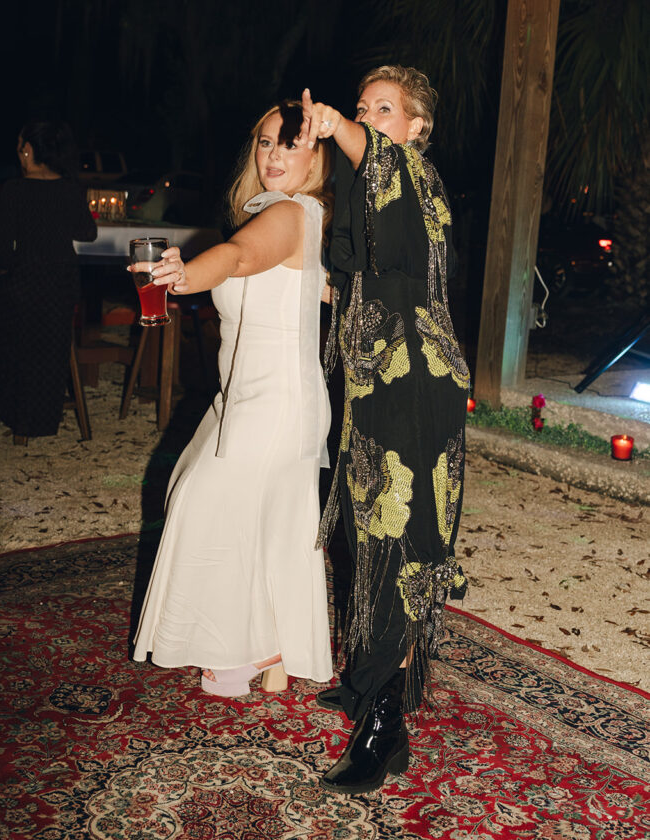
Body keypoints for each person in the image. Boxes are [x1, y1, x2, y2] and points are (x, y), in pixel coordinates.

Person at [299, 65, 470, 795]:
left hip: (416, 386)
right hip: (378, 381)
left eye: (384, 110)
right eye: (365, 105)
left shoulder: (416, 179)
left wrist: (338, 123)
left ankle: (383, 729)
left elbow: (379, 160)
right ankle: (373, 677)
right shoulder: (370, 193)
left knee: (398, 532)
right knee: (368, 529)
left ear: (415, 128)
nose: (371, 119)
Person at [132, 101, 333, 696]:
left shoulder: (292, 213)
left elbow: (241, 258)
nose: (274, 154)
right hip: (247, 396)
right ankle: (273, 647)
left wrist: (188, 276)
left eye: (290, 144)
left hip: (276, 401)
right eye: (266, 143)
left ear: (316, 156)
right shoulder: (281, 215)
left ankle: (245, 648)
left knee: (207, 501)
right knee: (255, 520)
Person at [0, 120, 97, 440]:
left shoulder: (14, 190)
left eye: (20, 147)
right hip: (62, 289)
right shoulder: (70, 187)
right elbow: (88, 232)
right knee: (30, 320)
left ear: (28, 151)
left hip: (25, 288)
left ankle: (10, 401)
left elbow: (4, 254)